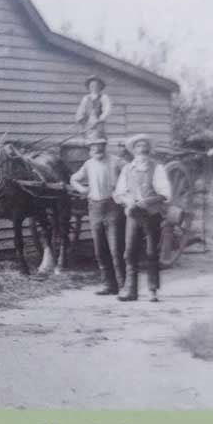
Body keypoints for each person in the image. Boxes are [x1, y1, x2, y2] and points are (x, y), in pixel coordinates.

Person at [113, 133, 171, 302]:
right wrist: (127, 201)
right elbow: (118, 193)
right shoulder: (127, 169)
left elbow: (165, 194)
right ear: (134, 152)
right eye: (138, 149)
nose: (142, 152)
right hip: (133, 215)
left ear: (149, 152)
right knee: (129, 252)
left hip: (151, 215)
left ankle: (152, 290)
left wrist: (148, 201)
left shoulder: (157, 168)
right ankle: (131, 290)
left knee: (151, 252)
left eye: (144, 149)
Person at [69, 135, 125, 295]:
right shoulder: (88, 164)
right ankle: (109, 285)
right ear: (90, 149)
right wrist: (82, 190)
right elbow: (74, 179)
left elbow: (130, 172)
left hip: (112, 207)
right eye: (93, 147)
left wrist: (122, 191)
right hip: (94, 208)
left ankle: (123, 286)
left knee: (115, 249)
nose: (97, 149)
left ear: (105, 146)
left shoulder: (116, 161)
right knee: (100, 250)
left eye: (100, 146)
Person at [74, 75, 113, 141]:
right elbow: (81, 110)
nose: (94, 88)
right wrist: (79, 118)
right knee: (86, 141)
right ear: (89, 87)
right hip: (87, 124)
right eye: (91, 86)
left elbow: (107, 110)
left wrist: (100, 120)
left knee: (97, 142)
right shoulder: (86, 98)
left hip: (98, 124)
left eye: (96, 86)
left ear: (100, 87)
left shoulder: (104, 97)